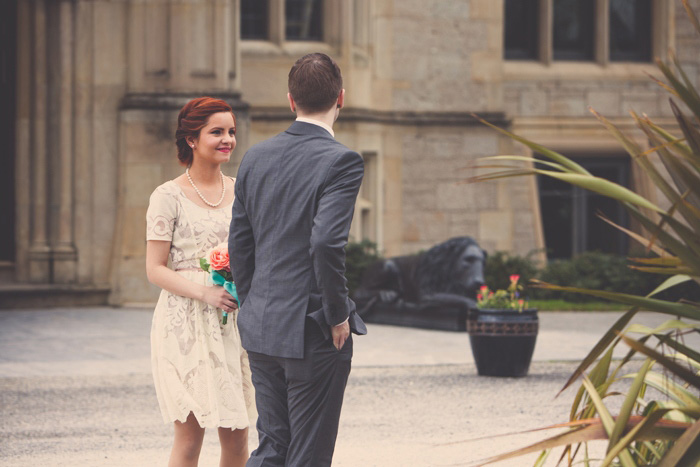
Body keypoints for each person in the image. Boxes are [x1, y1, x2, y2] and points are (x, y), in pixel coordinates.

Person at [229, 52, 367, 467]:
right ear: (341, 97)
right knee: (308, 454)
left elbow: (239, 243)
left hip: (261, 327)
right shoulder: (342, 160)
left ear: (291, 100)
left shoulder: (254, 157)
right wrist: (337, 314)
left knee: (273, 446)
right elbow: (325, 243)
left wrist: (255, 304)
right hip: (311, 331)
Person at [146, 97, 256, 467]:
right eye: (217, 132)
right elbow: (155, 269)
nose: (227, 139)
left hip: (233, 322)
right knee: (190, 438)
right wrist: (205, 292)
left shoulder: (242, 191)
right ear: (191, 139)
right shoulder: (167, 196)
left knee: (239, 436)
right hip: (185, 323)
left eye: (231, 132)